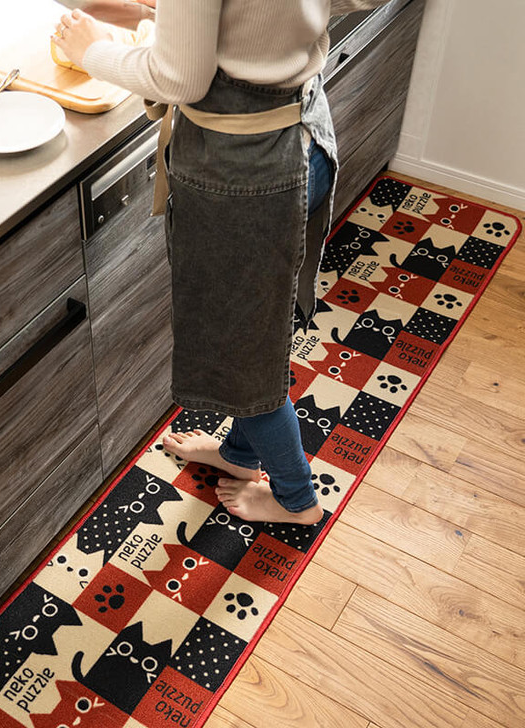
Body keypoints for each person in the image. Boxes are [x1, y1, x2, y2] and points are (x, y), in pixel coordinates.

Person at [54, 0, 393, 526]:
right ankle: (240, 454)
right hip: (300, 141)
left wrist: (89, 49)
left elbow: (178, 79)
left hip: (246, 173)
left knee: (240, 356)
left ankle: (295, 498)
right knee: (253, 332)